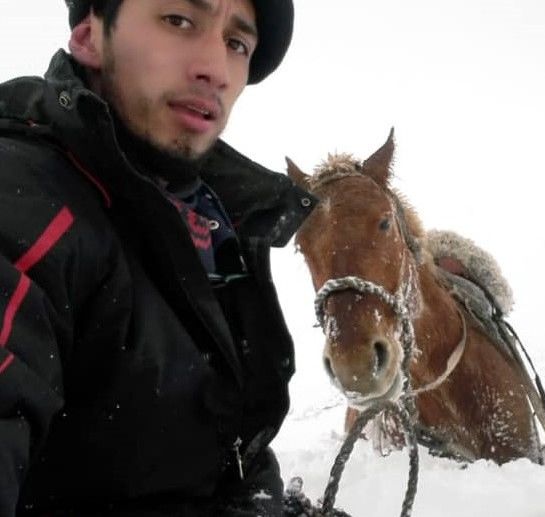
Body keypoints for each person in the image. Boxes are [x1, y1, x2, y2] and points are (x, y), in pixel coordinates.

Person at [0, 1, 316, 515]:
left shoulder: (208, 222)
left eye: (237, 44)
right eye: (179, 21)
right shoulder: (25, 200)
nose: (214, 69)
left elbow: (224, 456)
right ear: (88, 38)